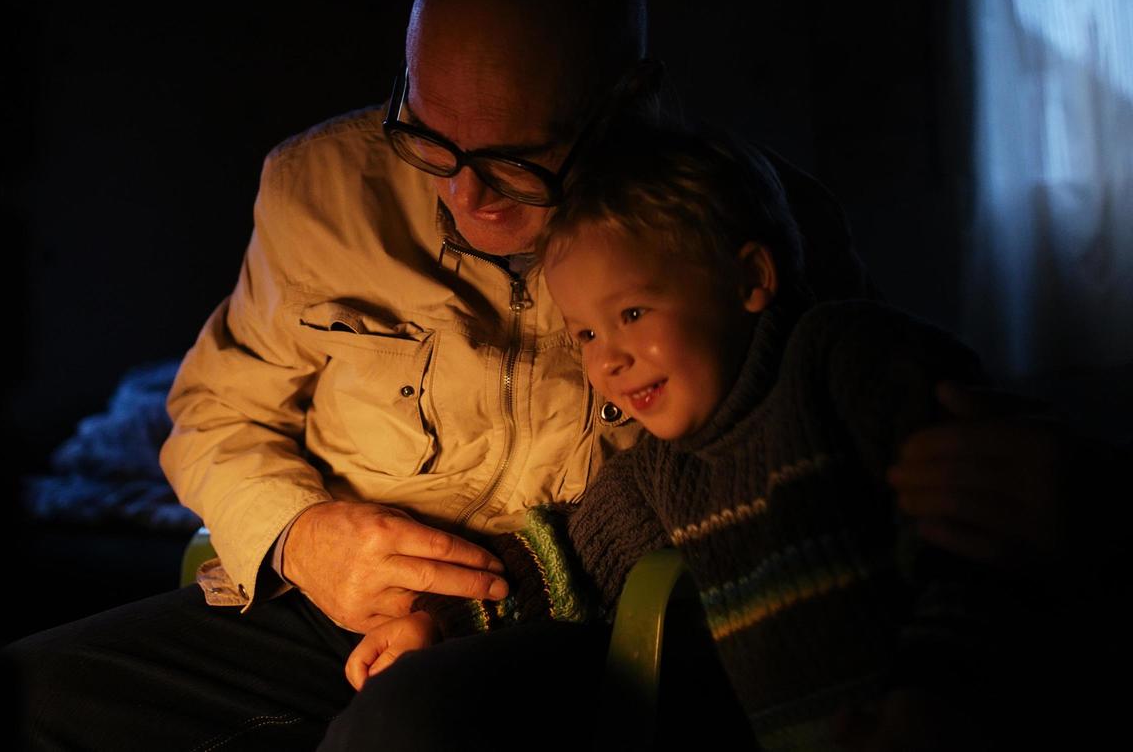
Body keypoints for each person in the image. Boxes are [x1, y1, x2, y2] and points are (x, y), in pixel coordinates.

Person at [3, 0, 1073, 751]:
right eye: (430, 140)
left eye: (514, 160)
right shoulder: (316, 188)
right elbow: (204, 412)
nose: (466, 200)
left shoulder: (731, 217)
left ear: (626, 99)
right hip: (336, 602)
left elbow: (883, 413)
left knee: (417, 723)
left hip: (579, 621)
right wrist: (299, 533)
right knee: (29, 694)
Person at [345, 123, 1031, 749]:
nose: (607, 359)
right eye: (586, 333)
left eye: (634, 312)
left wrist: (929, 696)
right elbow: (556, 563)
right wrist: (435, 619)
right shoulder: (662, 472)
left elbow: (980, 537)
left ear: (750, 279)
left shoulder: (843, 359)